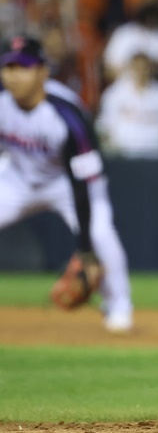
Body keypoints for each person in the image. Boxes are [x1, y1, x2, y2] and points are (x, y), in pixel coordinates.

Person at [0, 36, 133, 332]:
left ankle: (119, 306)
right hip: (17, 179)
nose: (13, 75)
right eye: (8, 67)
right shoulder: (2, 102)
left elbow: (82, 183)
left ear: (43, 72)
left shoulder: (67, 114)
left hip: (67, 184)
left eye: (23, 67)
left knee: (101, 234)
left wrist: (85, 250)